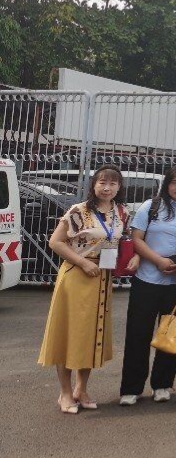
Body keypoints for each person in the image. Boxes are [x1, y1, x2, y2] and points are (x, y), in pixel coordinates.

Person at [39, 165, 130, 414]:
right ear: (93, 185)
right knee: (69, 334)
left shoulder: (121, 213)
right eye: (102, 182)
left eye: (112, 183)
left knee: (91, 335)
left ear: (119, 187)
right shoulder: (79, 211)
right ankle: (65, 393)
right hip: (77, 276)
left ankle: (81, 389)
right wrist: (82, 262)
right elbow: (55, 242)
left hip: (102, 278)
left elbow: (125, 241)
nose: (107, 188)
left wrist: (132, 258)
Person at [119, 165, 176, 407]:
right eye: (174, 182)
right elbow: (137, 239)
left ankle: (162, 384)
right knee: (138, 334)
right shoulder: (151, 206)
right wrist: (158, 260)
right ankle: (131, 388)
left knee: (171, 334)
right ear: (167, 183)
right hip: (147, 280)